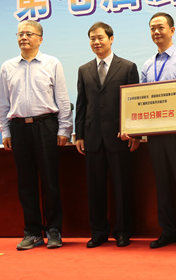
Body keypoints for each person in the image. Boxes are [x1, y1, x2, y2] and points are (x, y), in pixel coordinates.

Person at [122, 12, 176, 250]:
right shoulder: (148, 64)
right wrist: (133, 127)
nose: (156, 32)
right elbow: (141, 98)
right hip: (155, 133)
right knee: (162, 182)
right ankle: (168, 230)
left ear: (172, 30)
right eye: (152, 28)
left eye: (161, 27)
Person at [0, 20, 73, 251]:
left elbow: (62, 99)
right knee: (26, 183)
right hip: (19, 128)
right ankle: (32, 232)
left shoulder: (52, 63)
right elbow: (3, 103)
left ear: (40, 39)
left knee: (50, 181)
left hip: (45, 125)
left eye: (29, 34)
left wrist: (64, 129)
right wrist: (5, 130)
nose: (23, 37)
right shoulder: (7, 67)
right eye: (20, 34)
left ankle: (54, 230)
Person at [75, 22, 140, 249]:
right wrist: (79, 135)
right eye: (92, 38)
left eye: (100, 37)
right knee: (95, 188)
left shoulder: (127, 67)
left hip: (120, 137)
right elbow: (81, 104)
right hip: (92, 137)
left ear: (111, 39)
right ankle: (99, 232)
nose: (96, 42)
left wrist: (135, 133)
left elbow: (134, 102)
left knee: (122, 188)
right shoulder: (84, 70)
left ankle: (122, 232)